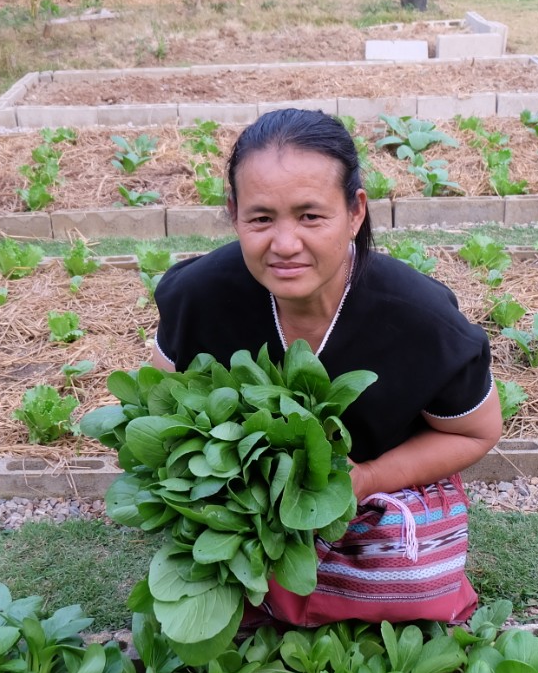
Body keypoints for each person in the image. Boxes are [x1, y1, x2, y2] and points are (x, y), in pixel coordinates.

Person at [151, 108, 502, 628]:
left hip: (380, 485)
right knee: (202, 579)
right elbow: (160, 408)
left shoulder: (422, 321)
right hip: (253, 498)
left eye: (311, 216)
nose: (285, 244)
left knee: (415, 581)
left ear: (355, 211)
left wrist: (364, 480)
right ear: (233, 212)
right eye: (261, 218)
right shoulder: (197, 296)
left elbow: (477, 432)